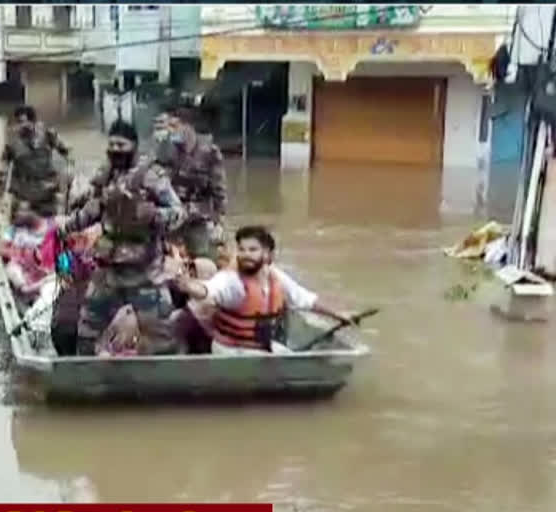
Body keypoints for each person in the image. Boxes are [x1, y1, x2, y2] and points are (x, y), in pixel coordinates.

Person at [55, 120, 188, 356]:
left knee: (161, 335)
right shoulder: (106, 176)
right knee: (87, 329)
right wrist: (67, 226)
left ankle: (163, 378)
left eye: (121, 144)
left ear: (134, 146)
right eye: (112, 144)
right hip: (109, 272)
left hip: (145, 272)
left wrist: (154, 215)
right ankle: (85, 372)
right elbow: (92, 210)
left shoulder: (151, 177)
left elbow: (179, 213)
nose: (116, 149)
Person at [172, 225, 353, 355]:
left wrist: (339, 315)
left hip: (261, 347)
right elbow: (209, 290)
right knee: (283, 361)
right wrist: (189, 286)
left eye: (253, 250)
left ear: (268, 255)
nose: (245, 255)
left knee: (287, 356)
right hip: (232, 350)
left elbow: (306, 300)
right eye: (242, 249)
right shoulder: (232, 280)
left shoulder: (276, 277)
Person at [154, 103, 227, 260]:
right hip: (172, 215)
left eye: (175, 126)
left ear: (188, 127)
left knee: (205, 257)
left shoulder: (209, 152)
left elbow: (219, 189)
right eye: (169, 127)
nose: (170, 131)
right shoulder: (165, 149)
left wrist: (219, 221)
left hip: (198, 215)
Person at [2, 105, 72, 218]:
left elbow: (66, 152)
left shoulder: (48, 134)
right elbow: (3, 171)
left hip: (47, 192)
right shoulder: (12, 143)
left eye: (22, 122)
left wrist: (66, 178)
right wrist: (3, 196)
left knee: (50, 229)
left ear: (33, 121)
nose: (20, 126)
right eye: (17, 122)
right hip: (23, 196)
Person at [0, 200, 58, 303]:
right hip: (23, 267)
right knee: (13, 268)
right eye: (17, 212)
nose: (19, 215)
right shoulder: (15, 229)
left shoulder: (51, 225)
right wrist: (20, 254)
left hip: (44, 268)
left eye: (23, 211)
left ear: (33, 212)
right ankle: (27, 289)